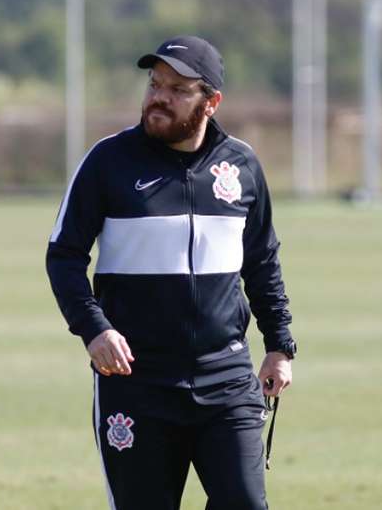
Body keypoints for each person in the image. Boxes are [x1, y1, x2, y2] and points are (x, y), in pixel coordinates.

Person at [45, 35, 296, 510]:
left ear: (210, 102)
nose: (159, 96)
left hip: (226, 376)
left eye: (178, 89)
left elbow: (262, 261)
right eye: (155, 83)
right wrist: (94, 329)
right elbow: (63, 256)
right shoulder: (107, 162)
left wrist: (280, 345)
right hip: (137, 382)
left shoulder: (240, 165)